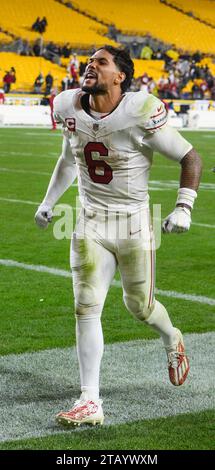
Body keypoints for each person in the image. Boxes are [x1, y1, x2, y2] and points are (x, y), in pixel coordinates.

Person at [35, 46, 202, 427]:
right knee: (85, 304)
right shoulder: (67, 105)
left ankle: (171, 337)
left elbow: (190, 157)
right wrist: (49, 201)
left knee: (139, 307)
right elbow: (69, 158)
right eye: (89, 61)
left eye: (101, 62)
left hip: (132, 223)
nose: (91, 65)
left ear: (119, 76)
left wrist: (184, 206)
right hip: (90, 220)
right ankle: (89, 400)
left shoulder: (139, 109)